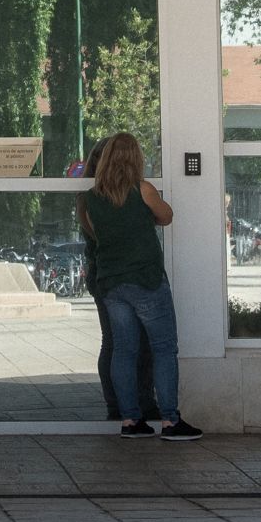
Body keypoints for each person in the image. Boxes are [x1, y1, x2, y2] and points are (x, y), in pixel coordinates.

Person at [81, 132, 202, 442]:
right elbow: (167, 216)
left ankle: (130, 420)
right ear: (135, 159)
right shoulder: (143, 190)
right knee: (163, 349)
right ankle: (171, 421)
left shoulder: (91, 199)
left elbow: (97, 236)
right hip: (146, 281)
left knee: (123, 349)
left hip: (112, 283)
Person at [82, 136, 157, 422]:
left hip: (114, 273)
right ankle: (124, 405)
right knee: (119, 341)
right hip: (111, 273)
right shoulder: (93, 195)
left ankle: (132, 404)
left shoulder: (114, 193)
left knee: (129, 341)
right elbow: (100, 235)